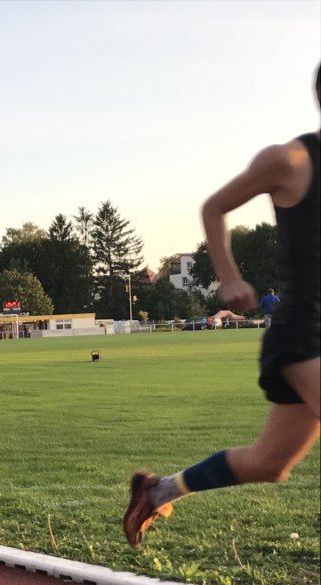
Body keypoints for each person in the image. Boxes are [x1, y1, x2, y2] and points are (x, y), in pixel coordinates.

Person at [124, 64, 320, 548]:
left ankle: (157, 491)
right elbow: (214, 207)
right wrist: (229, 276)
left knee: (270, 463)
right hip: (305, 332)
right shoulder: (291, 160)